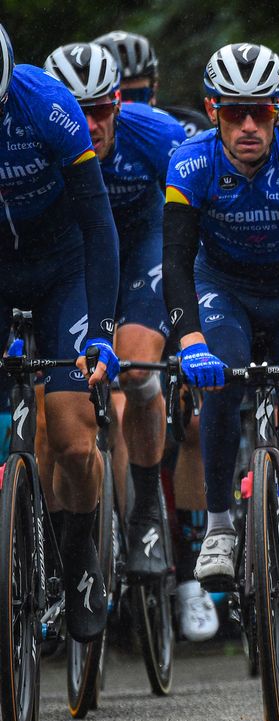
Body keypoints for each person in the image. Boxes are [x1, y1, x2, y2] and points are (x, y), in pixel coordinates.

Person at [161, 43, 279, 664]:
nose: (248, 127)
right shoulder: (188, 163)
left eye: (261, 114)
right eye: (235, 113)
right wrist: (189, 342)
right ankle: (218, 524)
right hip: (225, 293)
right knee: (218, 385)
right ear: (213, 110)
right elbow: (176, 262)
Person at [43, 43, 196, 620]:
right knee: (51, 409)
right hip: (75, 263)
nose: (92, 124)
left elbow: (198, 214)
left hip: (141, 256)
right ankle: (51, 556)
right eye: (78, 110)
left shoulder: (154, 133)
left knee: (133, 366)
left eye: (104, 109)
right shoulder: (40, 141)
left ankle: (147, 499)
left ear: (119, 104)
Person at [0, 24, 120, 643]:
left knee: (74, 438)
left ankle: (79, 562)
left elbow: (100, 228)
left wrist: (101, 332)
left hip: (61, 269)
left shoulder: (49, 106)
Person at [93, 30, 210, 137]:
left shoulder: (188, 126)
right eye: (117, 101)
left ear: (154, 90)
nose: (130, 111)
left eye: (138, 96)